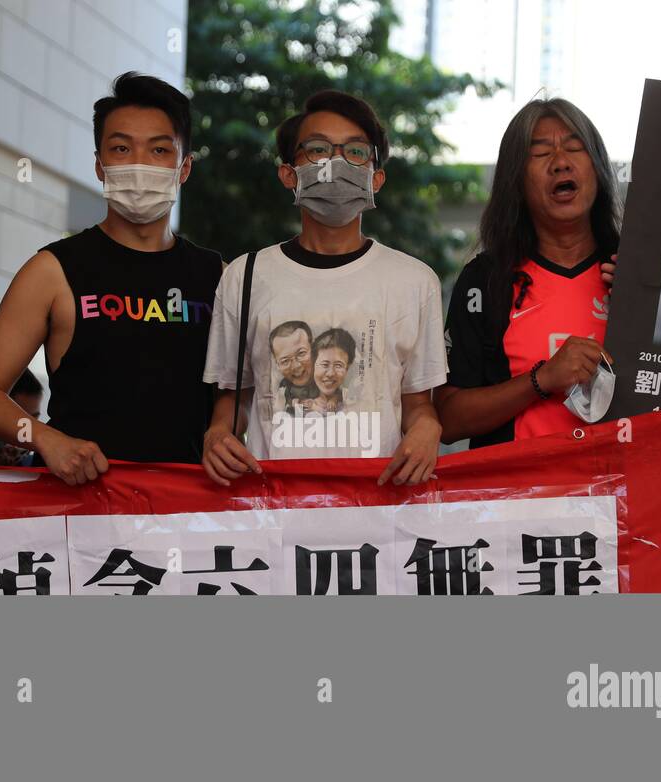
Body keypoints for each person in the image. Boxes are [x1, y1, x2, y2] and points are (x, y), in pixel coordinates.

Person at [0, 72, 222, 486]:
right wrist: (45, 438)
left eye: (159, 150)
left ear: (184, 167)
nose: (139, 163)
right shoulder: (51, 270)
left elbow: (236, 394)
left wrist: (225, 430)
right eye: (121, 148)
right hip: (79, 522)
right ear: (100, 166)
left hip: (187, 520)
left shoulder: (216, 275)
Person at [201, 89, 446, 485]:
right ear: (288, 174)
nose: (335, 163)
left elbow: (418, 404)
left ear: (376, 177)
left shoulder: (415, 282)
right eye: (317, 149)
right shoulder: (245, 276)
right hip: (273, 509)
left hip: (377, 511)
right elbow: (235, 397)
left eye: (355, 152)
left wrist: (427, 428)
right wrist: (216, 434)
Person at [437, 98, 618, 447]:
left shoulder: (640, 272)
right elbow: (447, 418)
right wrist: (543, 378)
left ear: (597, 168)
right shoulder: (486, 280)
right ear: (515, 180)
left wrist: (650, 307)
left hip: (622, 496)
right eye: (540, 154)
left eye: (575, 147)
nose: (561, 163)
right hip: (517, 499)